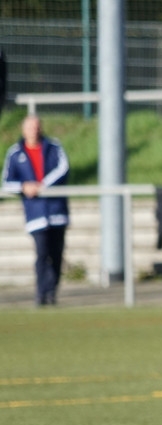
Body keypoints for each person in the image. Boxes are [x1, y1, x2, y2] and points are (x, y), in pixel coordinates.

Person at [2, 115, 70, 307]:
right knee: (42, 253)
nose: (34, 130)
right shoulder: (15, 153)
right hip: (35, 213)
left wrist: (42, 185)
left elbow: (64, 168)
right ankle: (41, 294)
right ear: (24, 130)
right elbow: (7, 182)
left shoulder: (54, 147)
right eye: (30, 127)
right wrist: (24, 186)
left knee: (56, 254)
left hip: (57, 211)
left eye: (37, 127)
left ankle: (52, 293)